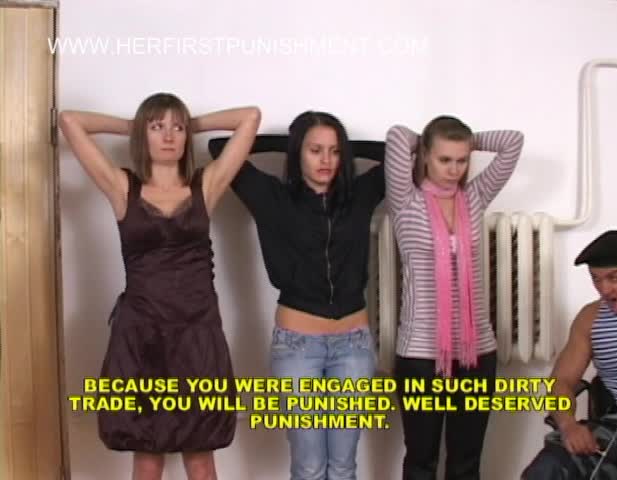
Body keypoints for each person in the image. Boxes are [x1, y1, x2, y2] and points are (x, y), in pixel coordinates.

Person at [59, 93, 261, 480]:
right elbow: (69, 121)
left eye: (177, 128)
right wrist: (134, 125)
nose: (169, 136)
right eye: (157, 127)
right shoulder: (123, 188)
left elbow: (249, 117)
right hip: (141, 338)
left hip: (198, 336)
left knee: (201, 464)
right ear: (143, 135)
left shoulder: (206, 186)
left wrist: (191, 122)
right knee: (148, 463)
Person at [208, 110, 385, 480]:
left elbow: (403, 154)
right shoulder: (271, 197)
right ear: (297, 153)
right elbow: (220, 147)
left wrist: (345, 147)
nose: (326, 160)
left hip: (353, 345)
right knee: (309, 467)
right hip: (297, 347)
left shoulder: (360, 195)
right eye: (314, 150)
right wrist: (289, 143)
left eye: (334, 151)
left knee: (343, 466)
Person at [384, 116, 524, 480]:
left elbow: (512, 140)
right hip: (420, 352)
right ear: (425, 156)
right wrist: (427, 138)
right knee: (422, 459)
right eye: (444, 159)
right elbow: (397, 136)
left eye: (462, 160)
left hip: (477, 351)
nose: (454, 169)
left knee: (466, 460)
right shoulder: (405, 200)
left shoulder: (474, 197)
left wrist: (467, 140)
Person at [522, 230, 617, 479]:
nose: (604, 289)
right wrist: (569, 426)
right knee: (547, 469)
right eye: (596, 279)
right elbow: (561, 381)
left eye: (615, 278)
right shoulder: (590, 319)